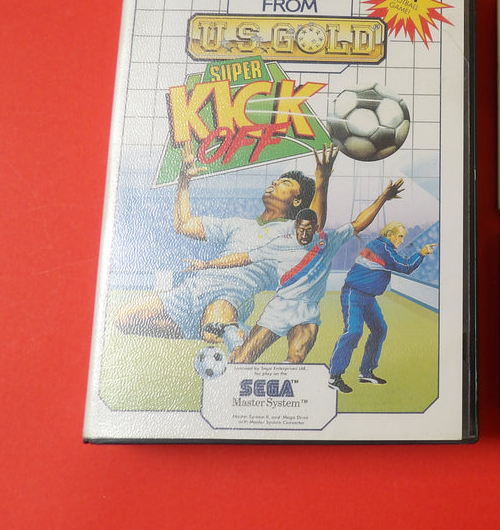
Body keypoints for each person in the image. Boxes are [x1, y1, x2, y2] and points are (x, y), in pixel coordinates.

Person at [113, 143, 335, 350]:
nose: (275, 183)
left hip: (231, 297)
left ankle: (226, 333)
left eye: (285, 183)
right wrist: (184, 179)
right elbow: (184, 224)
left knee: (214, 329)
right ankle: (220, 330)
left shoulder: (291, 234)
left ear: (297, 201)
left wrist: (322, 182)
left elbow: (315, 226)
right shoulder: (237, 224)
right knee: (123, 319)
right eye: (276, 181)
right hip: (191, 291)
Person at [185, 178, 406, 365]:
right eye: (300, 229)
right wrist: (207, 265)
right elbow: (243, 258)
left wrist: (383, 198)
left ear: (316, 229)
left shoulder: (328, 242)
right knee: (241, 361)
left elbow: (358, 223)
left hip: (307, 311)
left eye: (309, 230)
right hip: (280, 309)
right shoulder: (280, 243)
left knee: (296, 359)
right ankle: (234, 332)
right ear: (295, 228)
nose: (304, 234)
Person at [326, 222, 437, 394]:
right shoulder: (383, 248)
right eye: (400, 236)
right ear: (389, 234)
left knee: (379, 329)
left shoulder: (383, 247)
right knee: (353, 331)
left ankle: (366, 372)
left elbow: (397, 262)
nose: (402, 240)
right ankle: (334, 377)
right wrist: (422, 253)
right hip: (354, 294)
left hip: (368, 297)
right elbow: (405, 267)